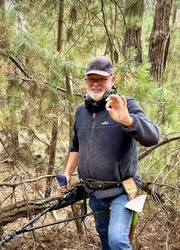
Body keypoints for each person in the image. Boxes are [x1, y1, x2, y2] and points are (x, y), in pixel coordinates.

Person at [62, 56, 159, 250]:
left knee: (117, 240)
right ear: (86, 82)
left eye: (102, 79)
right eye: (92, 79)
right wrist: (67, 173)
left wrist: (128, 121)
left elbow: (153, 137)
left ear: (112, 80)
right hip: (94, 192)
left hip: (121, 190)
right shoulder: (81, 111)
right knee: (105, 237)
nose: (96, 84)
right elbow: (76, 146)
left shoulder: (125, 104)